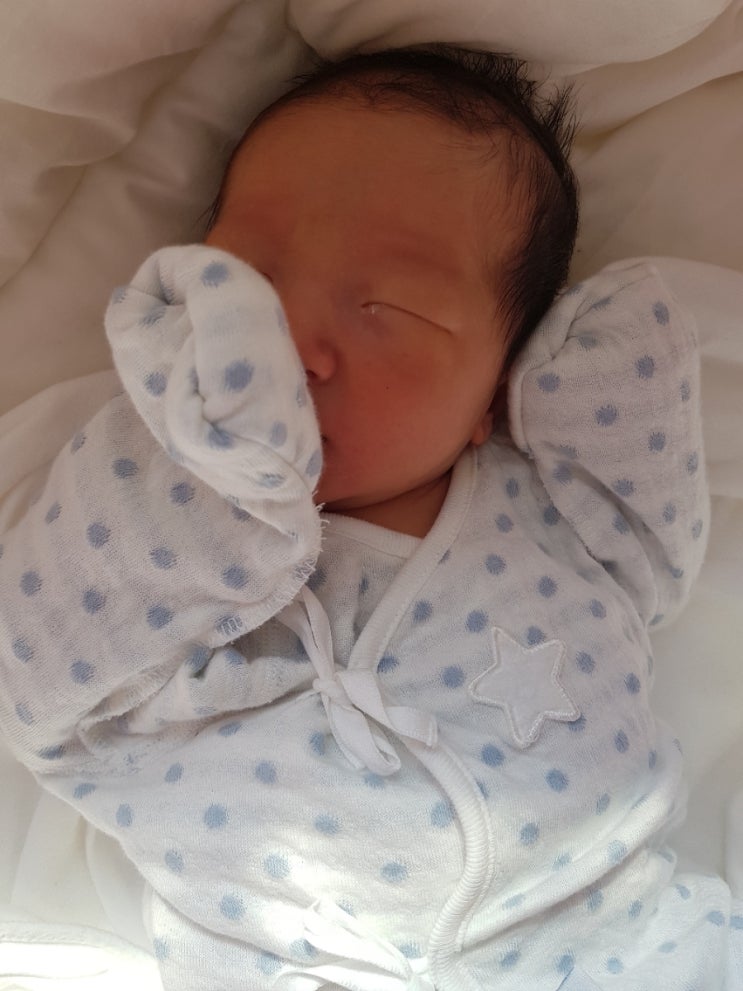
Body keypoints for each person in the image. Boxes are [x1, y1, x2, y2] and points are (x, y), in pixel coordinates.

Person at [0, 44, 740, 991]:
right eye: (246, 289)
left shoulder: (563, 517)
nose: (296, 349)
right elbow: (36, 680)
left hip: (633, 947)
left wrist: (595, 348)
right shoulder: (149, 514)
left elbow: (649, 493)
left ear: (495, 388)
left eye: (387, 305)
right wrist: (211, 466)